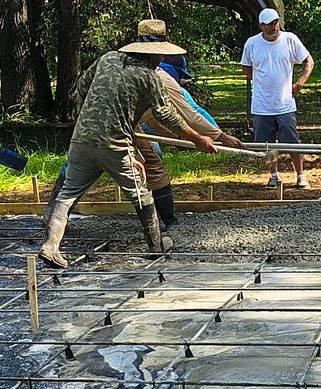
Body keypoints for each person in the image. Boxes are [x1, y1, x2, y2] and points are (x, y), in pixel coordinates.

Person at [39, 36, 218, 268]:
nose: (162, 58)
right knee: (140, 194)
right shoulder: (149, 77)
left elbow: (82, 86)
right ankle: (156, 246)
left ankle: (50, 245)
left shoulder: (107, 59)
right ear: (149, 53)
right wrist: (198, 139)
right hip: (114, 145)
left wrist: (99, 114)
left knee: (67, 194)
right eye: (160, 53)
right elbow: (166, 115)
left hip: (81, 139)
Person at [129, 19, 243, 228]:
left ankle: (170, 223)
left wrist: (178, 139)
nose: (162, 56)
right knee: (132, 170)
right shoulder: (160, 79)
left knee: (151, 165)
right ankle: (155, 231)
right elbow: (189, 115)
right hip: (117, 129)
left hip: (126, 124)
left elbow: (156, 117)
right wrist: (220, 137)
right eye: (160, 52)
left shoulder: (122, 63)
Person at [240, 8, 314, 188]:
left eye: (275, 23)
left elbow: (308, 61)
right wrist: (263, 80)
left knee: (292, 142)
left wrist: (300, 83)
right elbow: (246, 68)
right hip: (262, 105)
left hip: (285, 104)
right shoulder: (252, 44)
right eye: (269, 24)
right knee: (267, 144)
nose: (274, 27)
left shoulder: (290, 39)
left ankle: (301, 175)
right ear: (261, 26)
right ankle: (274, 175)